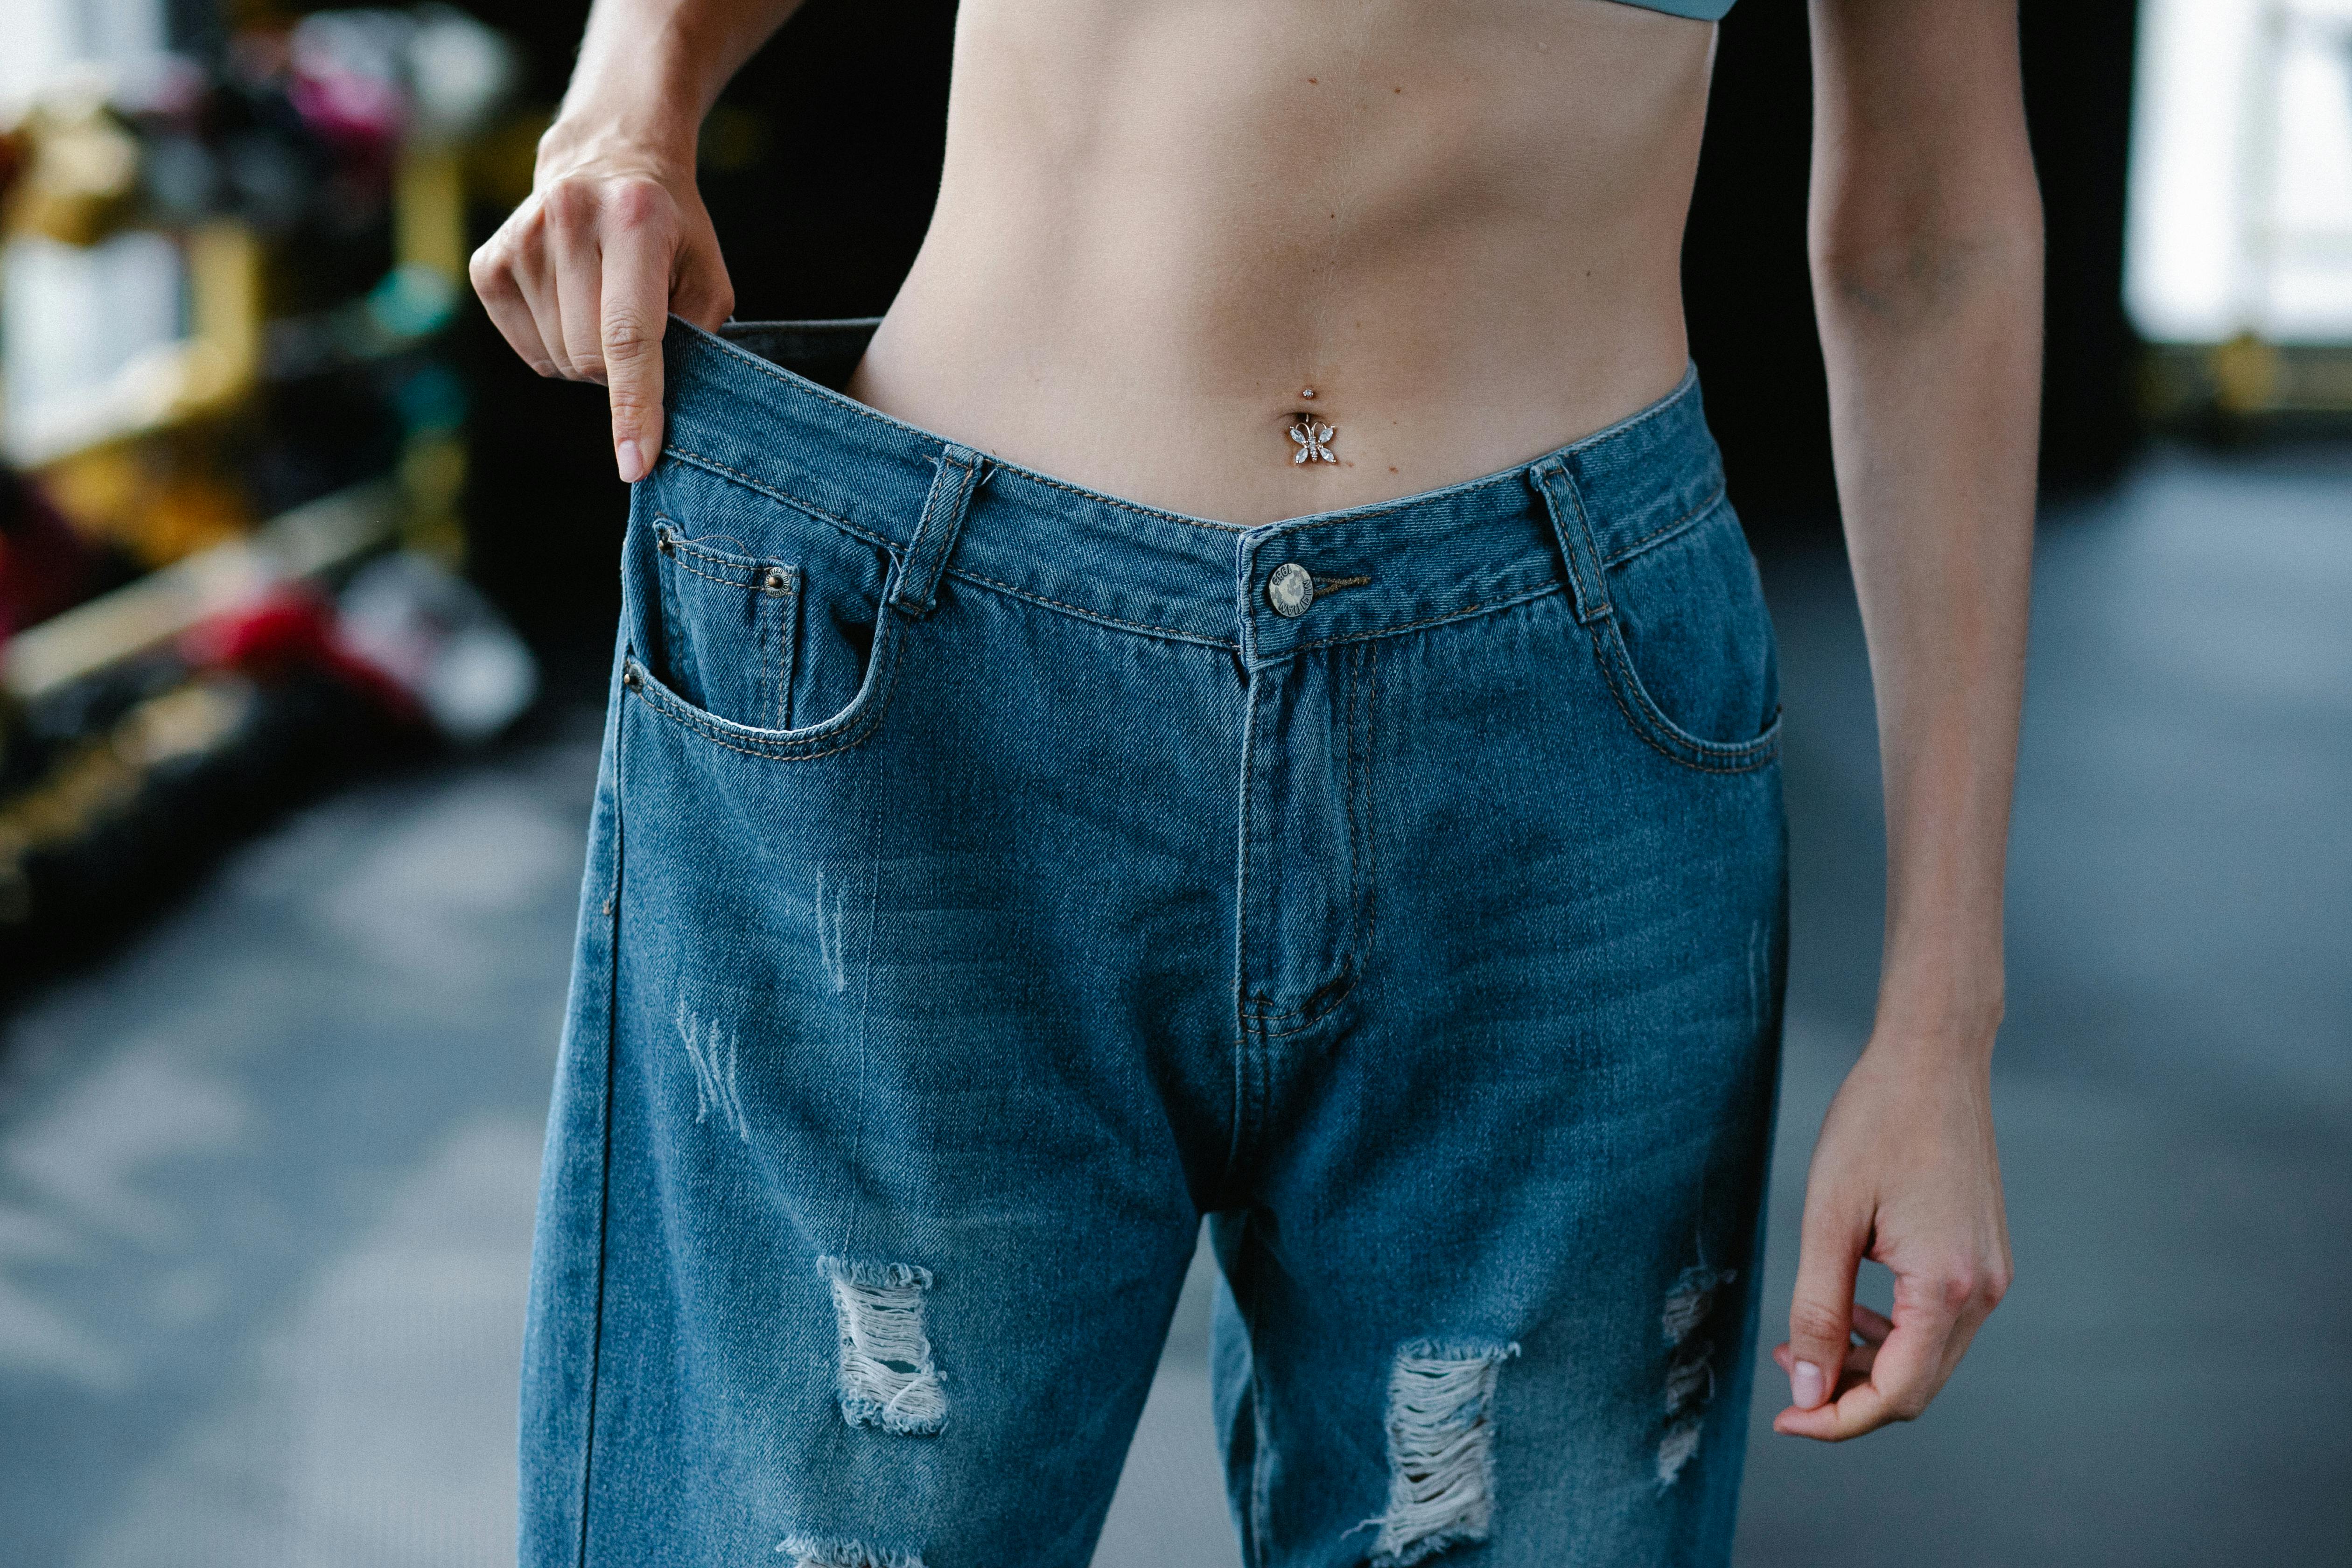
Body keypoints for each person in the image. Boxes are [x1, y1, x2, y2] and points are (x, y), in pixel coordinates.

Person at [470, 0, 2033, 1562]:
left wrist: (1941, 1026)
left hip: (1558, 739)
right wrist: (623, 92)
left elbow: (1933, 239)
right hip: (939, 702)